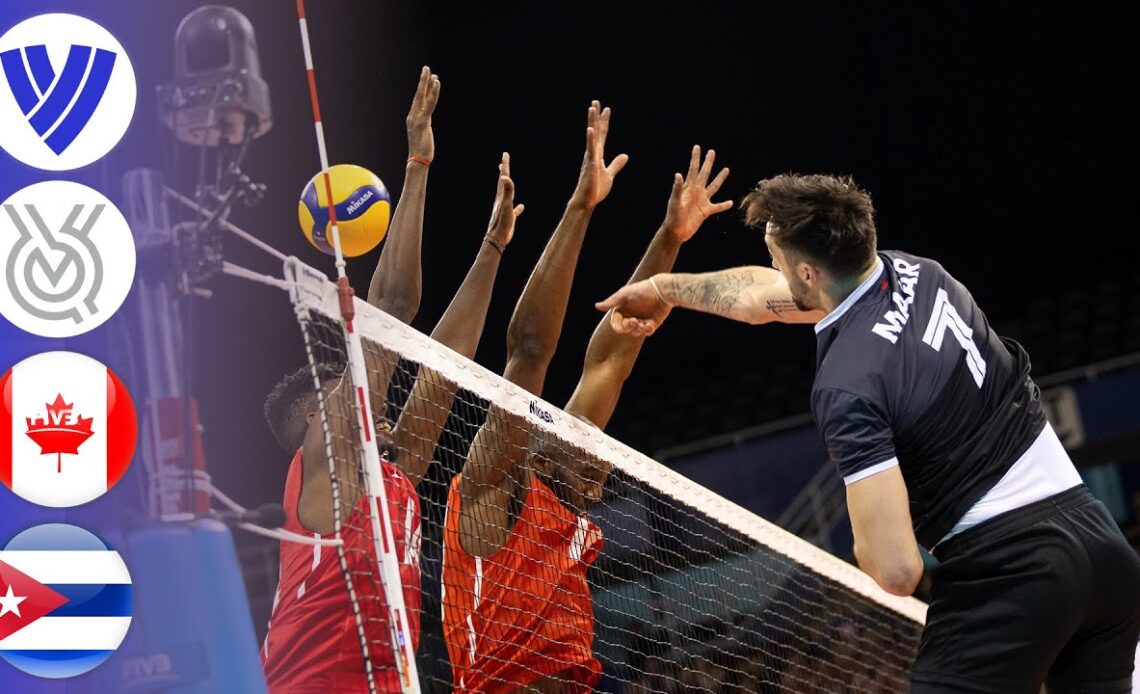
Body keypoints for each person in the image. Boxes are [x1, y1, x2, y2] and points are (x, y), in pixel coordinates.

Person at [597, 172, 1140, 692]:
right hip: (1103, 553)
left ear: (807, 274)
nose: (774, 269)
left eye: (777, 259)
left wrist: (867, 538)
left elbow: (898, 570)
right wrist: (664, 288)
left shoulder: (847, 385)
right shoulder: (922, 273)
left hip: (1013, 573)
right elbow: (757, 298)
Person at [441, 114, 733, 694]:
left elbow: (610, 360)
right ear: (546, 452)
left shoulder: (560, 488)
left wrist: (670, 239)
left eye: (598, 470)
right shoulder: (491, 494)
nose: (599, 489)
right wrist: (581, 207)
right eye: (597, 471)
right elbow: (527, 353)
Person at [261, 67, 526, 693]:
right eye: (346, 396)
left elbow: (442, 366)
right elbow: (393, 311)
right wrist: (415, 164)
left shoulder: (389, 471)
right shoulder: (330, 459)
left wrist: (491, 247)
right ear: (315, 421)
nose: (379, 409)